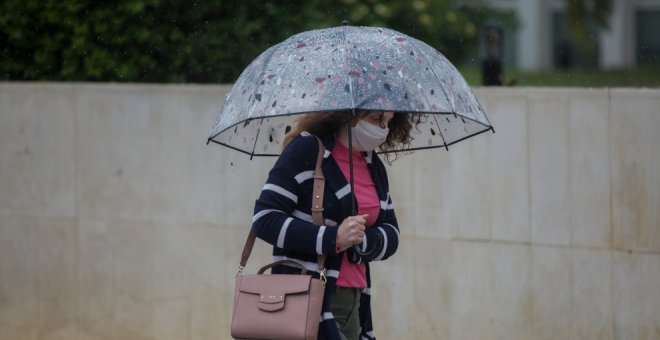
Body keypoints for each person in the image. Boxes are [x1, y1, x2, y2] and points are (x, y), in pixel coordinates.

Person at [252, 110, 414, 340]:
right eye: (377, 118)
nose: (383, 129)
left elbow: (392, 231)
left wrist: (363, 239)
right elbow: (265, 218)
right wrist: (333, 238)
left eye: (388, 121)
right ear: (351, 113)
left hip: (355, 296)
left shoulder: (372, 164)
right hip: (308, 295)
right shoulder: (307, 150)